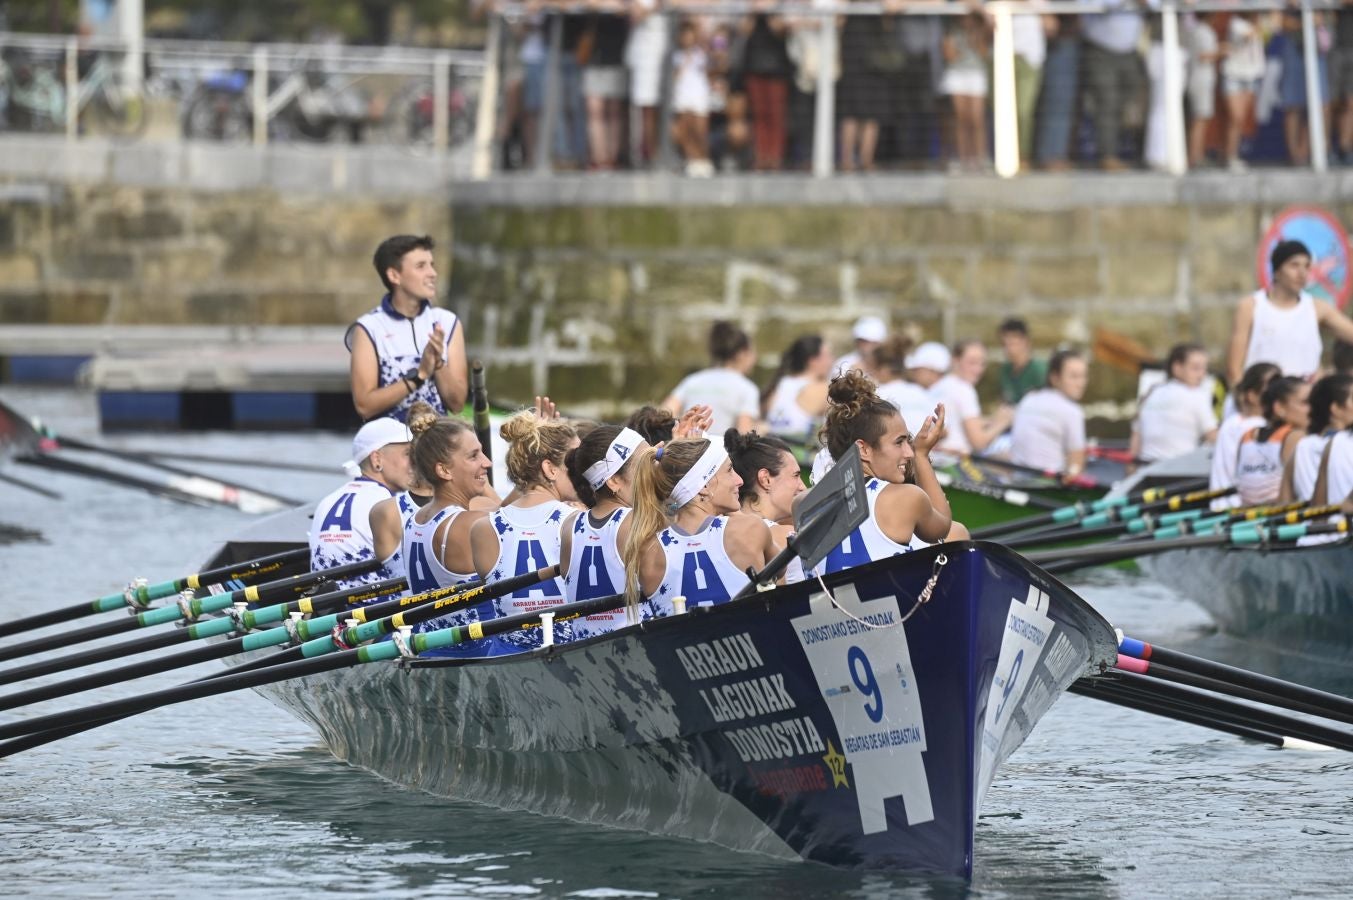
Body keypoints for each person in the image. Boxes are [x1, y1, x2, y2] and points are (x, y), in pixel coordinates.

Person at [812, 371, 952, 575]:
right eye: (899, 442)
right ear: (864, 449)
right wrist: (921, 455)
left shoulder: (802, 504)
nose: (908, 452)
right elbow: (943, 528)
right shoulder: (907, 497)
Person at [620, 438, 775, 614]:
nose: (739, 480)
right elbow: (783, 569)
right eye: (730, 470)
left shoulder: (647, 550)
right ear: (704, 486)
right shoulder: (750, 529)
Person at [469, 410, 580, 652]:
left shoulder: (483, 527)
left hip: (506, 658)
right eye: (575, 462)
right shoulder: (577, 521)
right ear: (550, 469)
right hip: (569, 659)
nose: (583, 471)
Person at [402, 402, 495, 652]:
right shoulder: (470, 525)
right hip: (478, 651)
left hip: (432, 648)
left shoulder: (415, 518)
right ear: (443, 470)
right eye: (474, 456)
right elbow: (528, 512)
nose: (487, 462)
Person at [347, 235, 467, 422]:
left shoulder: (448, 322)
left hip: (435, 443)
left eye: (432, 265)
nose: (433, 273)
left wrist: (437, 363)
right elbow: (364, 406)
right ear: (394, 276)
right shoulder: (368, 328)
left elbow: (457, 404)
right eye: (421, 266)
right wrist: (419, 376)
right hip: (389, 442)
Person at [560, 425, 651, 639]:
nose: (654, 469)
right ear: (614, 480)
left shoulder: (569, 526)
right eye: (646, 463)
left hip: (584, 655)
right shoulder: (638, 522)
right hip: (637, 652)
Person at [309, 418, 415, 591]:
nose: (416, 462)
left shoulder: (327, 500)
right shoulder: (390, 505)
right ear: (376, 459)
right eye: (408, 454)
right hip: (372, 609)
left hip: (328, 607)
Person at [1227, 240, 1353, 385]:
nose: (1302, 273)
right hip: (1264, 399)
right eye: (1294, 265)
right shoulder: (1251, 306)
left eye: (1307, 266)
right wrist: (1248, 401)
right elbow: (1234, 369)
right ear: (1277, 270)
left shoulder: (1317, 308)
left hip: (1304, 401)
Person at [726, 429, 806, 582]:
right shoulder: (786, 536)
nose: (802, 486)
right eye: (795, 475)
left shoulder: (724, 531)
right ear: (766, 479)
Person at [662, 320, 760, 434]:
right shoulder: (747, 388)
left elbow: (664, 416)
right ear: (742, 354)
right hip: (722, 450)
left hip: (688, 448)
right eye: (753, 352)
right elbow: (744, 434)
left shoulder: (691, 381)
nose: (755, 359)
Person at [1129, 343, 1219, 464]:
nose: (1202, 375)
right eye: (1196, 368)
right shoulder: (1197, 395)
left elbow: (1135, 441)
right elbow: (1214, 438)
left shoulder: (1150, 392)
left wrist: (1130, 473)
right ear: (1177, 368)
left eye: (1204, 368)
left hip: (1145, 470)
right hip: (1179, 472)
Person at [1010, 349, 1089, 477]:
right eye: (1074, 376)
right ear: (1055, 378)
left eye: (1083, 376)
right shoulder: (1072, 411)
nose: (1081, 383)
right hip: (1048, 485)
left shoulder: (1028, 397)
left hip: (1017, 477)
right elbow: (1076, 467)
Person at [1210, 361, 1280, 506]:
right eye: (1271, 388)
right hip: (1236, 509)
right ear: (1252, 395)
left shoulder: (1230, 423)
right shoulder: (1249, 426)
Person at [929, 339, 1014, 456]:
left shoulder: (939, 385)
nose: (978, 370)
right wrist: (1003, 422)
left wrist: (992, 420)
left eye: (982, 363)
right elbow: (979, 443)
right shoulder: (964, 390)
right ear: (955, 360)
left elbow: (961, 421)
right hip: (955, 460)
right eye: (972, 362)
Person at [1234, 376, 1310, 506]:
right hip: (1279, 520)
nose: (1312, 408)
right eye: (1305, 402)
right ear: (1279, 408)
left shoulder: (1247, 436)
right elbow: (1308, 493)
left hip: (1249, 520)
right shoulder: (1295, 437)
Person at [1282, 374, 1353, 502]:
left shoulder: (1302, 445)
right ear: (1336, 408)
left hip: (1319, 519)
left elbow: (1283, 501)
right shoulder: (1340, 443)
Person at [762, 335, 832, 444]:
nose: (831, 360)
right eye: (827, 356)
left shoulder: (778, 385)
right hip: (803, 454)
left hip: (773, 449)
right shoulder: (822, 389)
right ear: (813, 361)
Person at [872, 335, 934, 436]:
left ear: (884, 370)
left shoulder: (877, 395)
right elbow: (943, 429)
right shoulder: (918, 391)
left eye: (873, 368)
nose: (872, 372)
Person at [997, 318, 1047, 405]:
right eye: (1004, 344)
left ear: (1025, 342)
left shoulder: (1039, 371)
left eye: (1012, 343)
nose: (1008, 349)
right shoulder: (1005, 370)